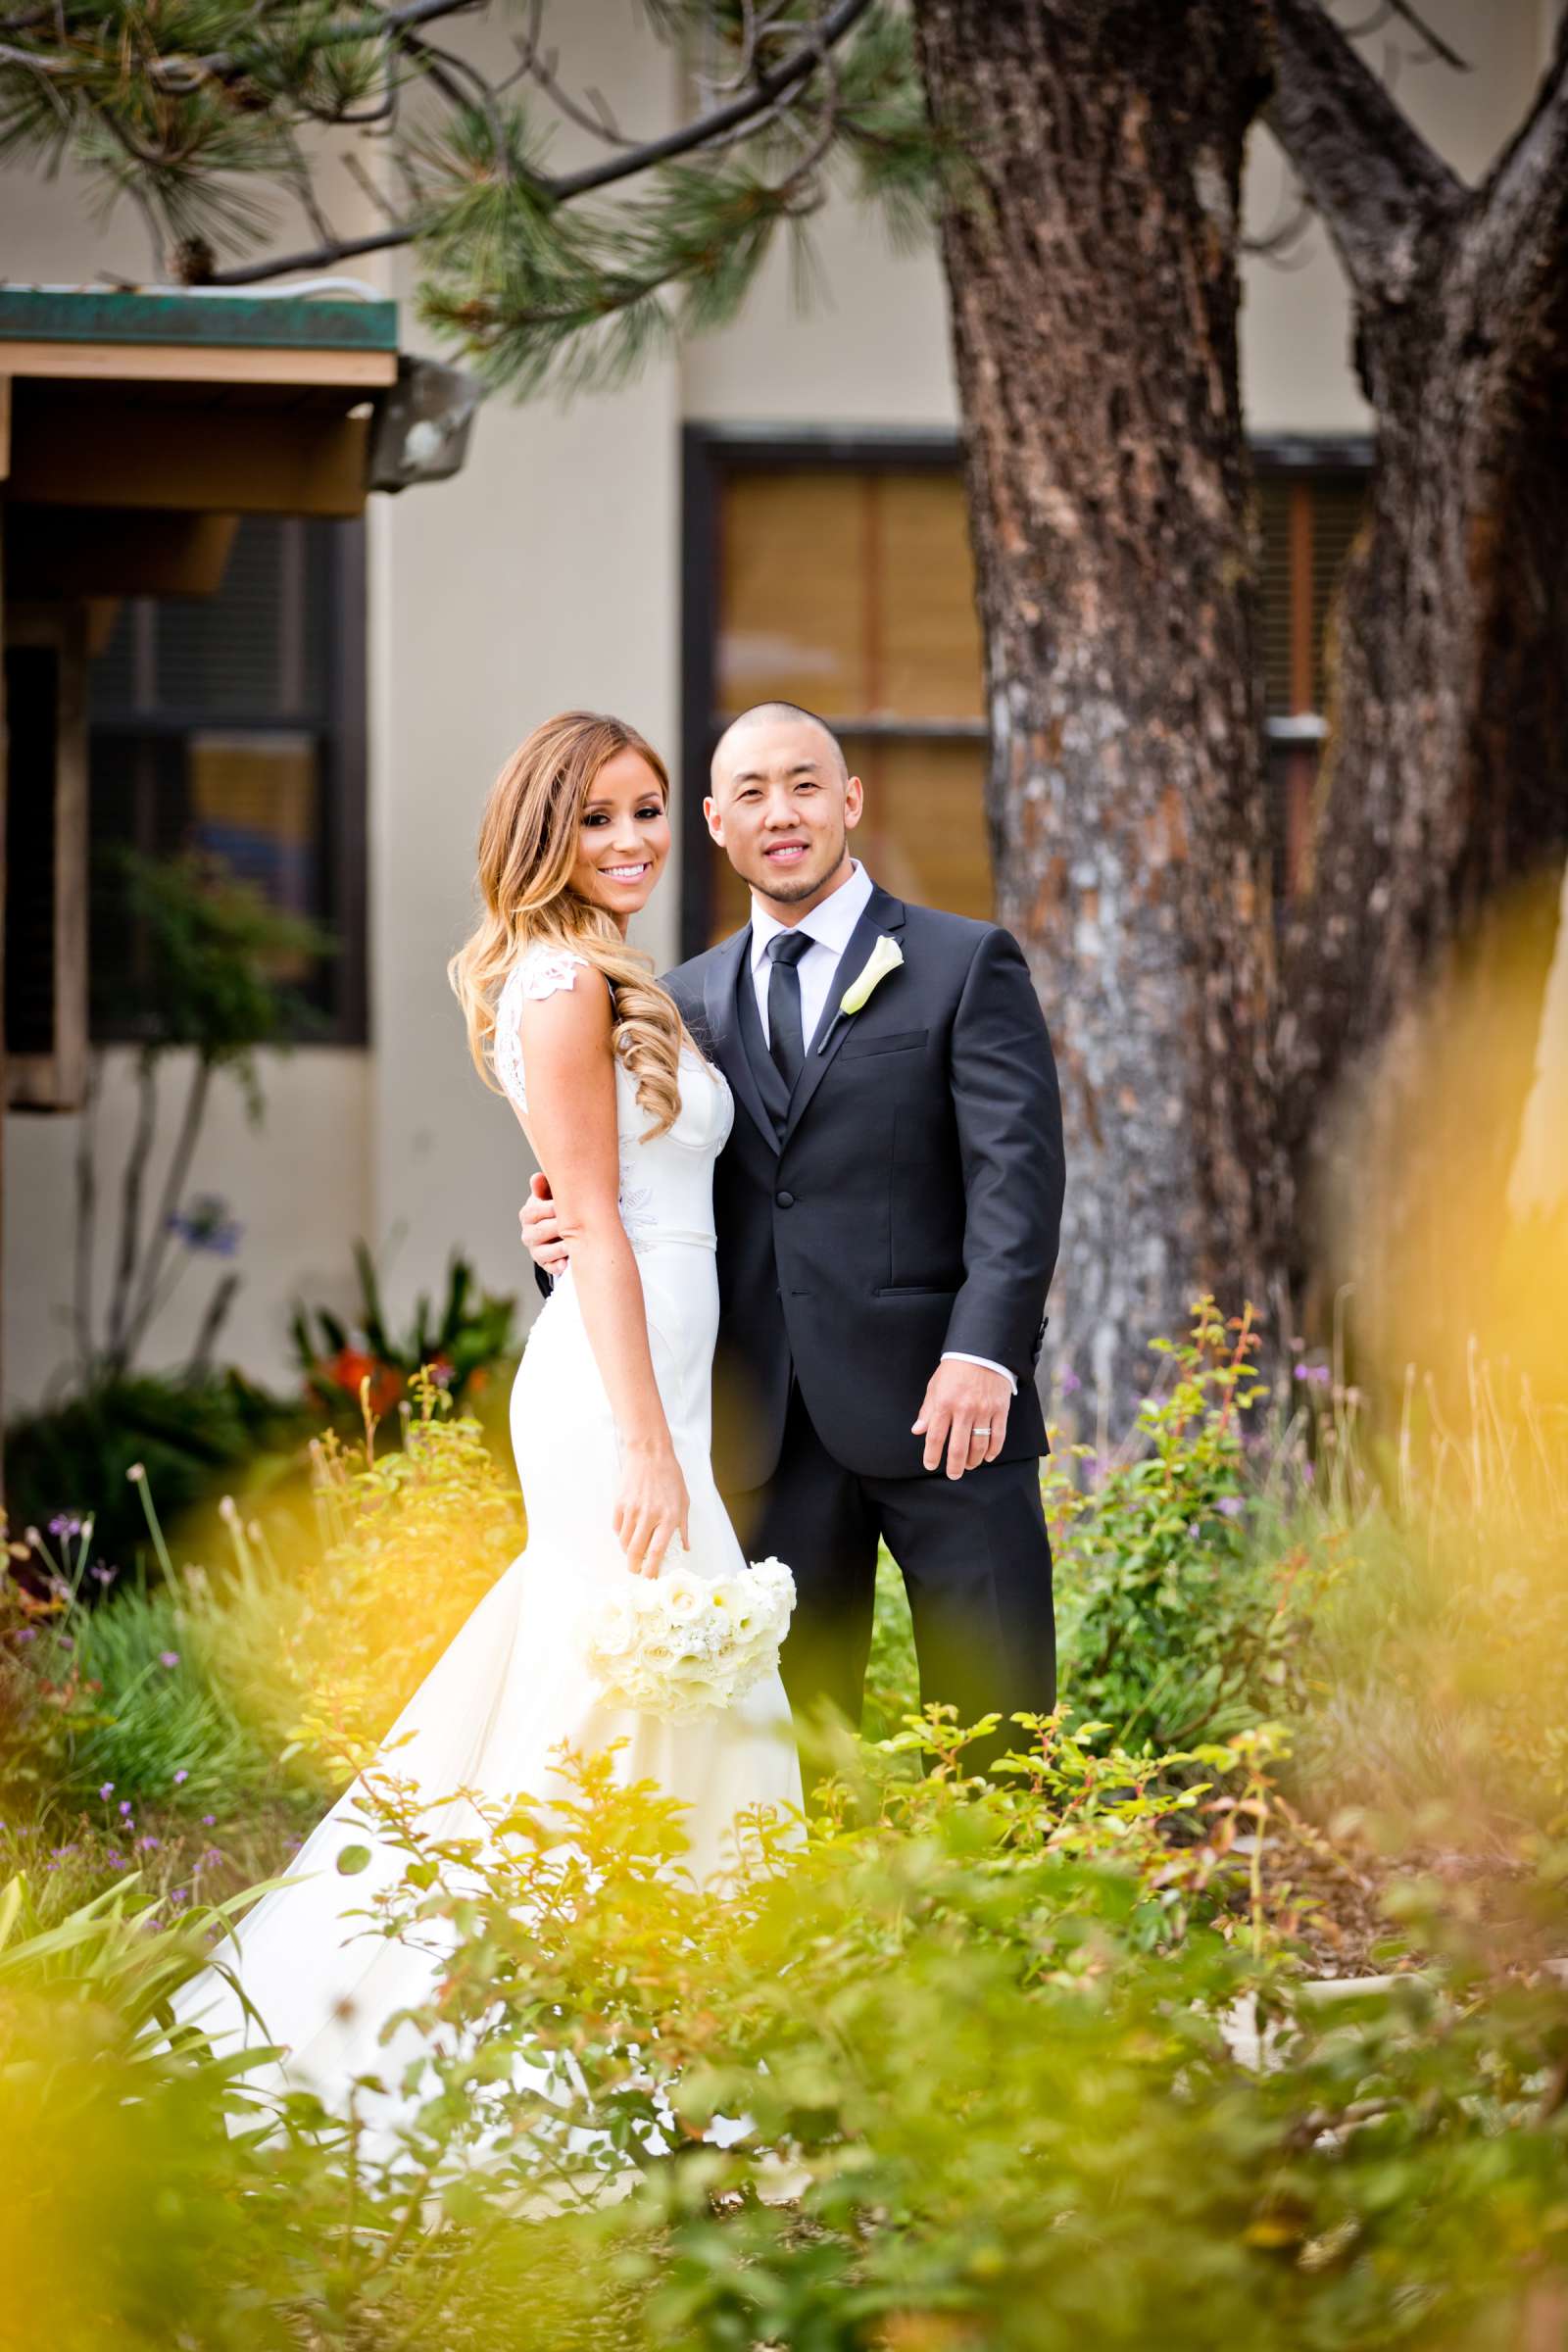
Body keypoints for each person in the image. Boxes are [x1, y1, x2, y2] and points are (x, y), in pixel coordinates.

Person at [164, 711, 802, 2151]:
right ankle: (511, 2055)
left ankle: (662, 2039)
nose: (635, 840)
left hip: (649, 1378)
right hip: (616, 1394)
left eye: (649, 812)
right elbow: (600, 1224)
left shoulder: (591, 975)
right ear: (542, 835)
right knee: (625, 1700)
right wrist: (650, 1441)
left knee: (628, 1695)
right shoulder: (569, 979)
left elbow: (593, 1203)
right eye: (599, 820)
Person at [524, 703, 1065, 1772]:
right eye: (754, 795)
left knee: (997, 1719)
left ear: (850, 802)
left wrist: (983, 1354)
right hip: (761, 1426)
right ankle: (831, 1943)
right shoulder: (674, 1005)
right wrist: (549, 1242)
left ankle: (1018, 1934)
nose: (784, 814)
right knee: (793, 1746)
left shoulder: (964, 966)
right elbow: (632, 1195)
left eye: (806, 784)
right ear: (718, 824)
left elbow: (1019, 1177)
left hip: (944, 1409)